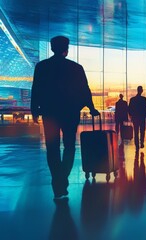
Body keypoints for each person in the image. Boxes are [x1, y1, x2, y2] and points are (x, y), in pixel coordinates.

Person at [31, 36, 99, 200]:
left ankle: (57, 183)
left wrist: (34, 110)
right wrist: (90, 107)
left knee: (52, 147)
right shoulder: (76, 68)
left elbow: (36, 89)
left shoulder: (42, 67)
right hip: (70, 113)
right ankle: (62, 180)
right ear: (65, 49)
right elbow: (84, 89)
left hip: (49, 113)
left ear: (52, 47)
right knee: (69, 146)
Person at [128, 86, 146, 150]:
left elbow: (129, 109)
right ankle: (142, 142)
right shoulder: (144, 99)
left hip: (135, 118)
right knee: (142, 131)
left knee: (136, 131)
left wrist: (131, 115)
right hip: (142, 117)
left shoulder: (132, 99)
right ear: (142, 91)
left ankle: (137, 144)